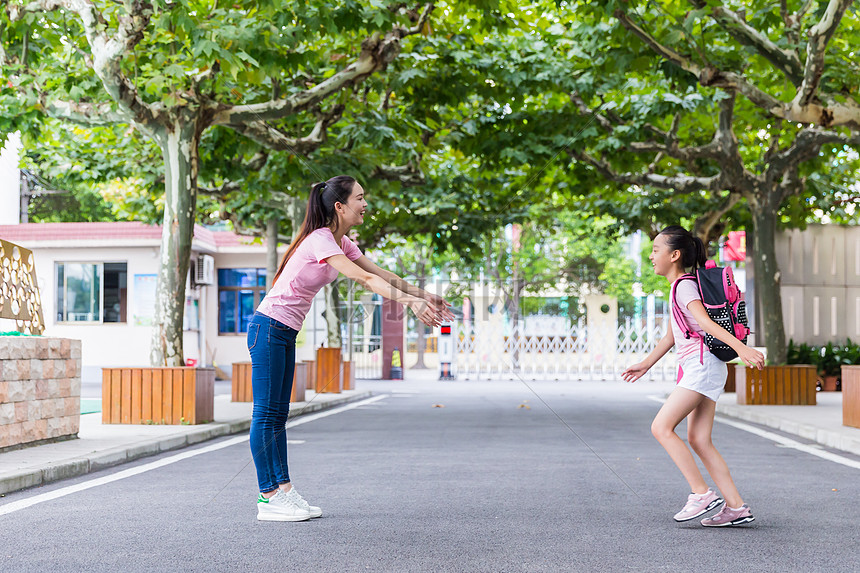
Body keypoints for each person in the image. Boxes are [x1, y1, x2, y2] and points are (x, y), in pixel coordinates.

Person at [248, 175, 454, 522]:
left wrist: (422, 294)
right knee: (266, 415)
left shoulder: (341, 243)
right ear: (340, 206)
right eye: (360, 198)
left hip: (282, 332)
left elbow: (380, 272)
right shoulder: (320, 240)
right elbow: (364, 280)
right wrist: (409, 303)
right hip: (267, 328)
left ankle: (284, 490)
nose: (365, 204)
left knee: (279, 416)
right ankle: (267, 495)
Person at [621, 225, 764, 527]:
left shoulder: (683, 286)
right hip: (706, 367)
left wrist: (742, 349)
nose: (651, 256)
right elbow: (674, 334)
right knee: (699, 439)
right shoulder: (681, 287)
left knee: (661, 427)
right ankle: (736, 507)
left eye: (656, 250)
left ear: (674, 255)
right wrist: (646, 364)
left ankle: (701, 493)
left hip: (701, 368)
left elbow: (706, 322)